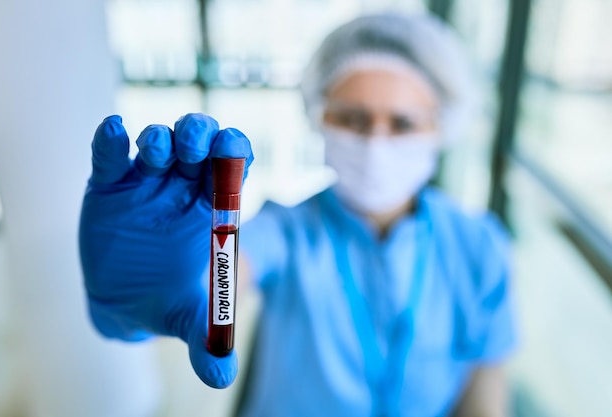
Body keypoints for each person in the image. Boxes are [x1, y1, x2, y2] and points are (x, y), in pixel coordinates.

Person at [80, 12, 517, 417]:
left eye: (402, 124)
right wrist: (163, 288)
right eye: (353, 119)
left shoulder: (479, 246)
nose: (376, 143)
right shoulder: (286, 231)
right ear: (319, 116)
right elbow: (226, 271)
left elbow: (484, 397)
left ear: (441, 127)